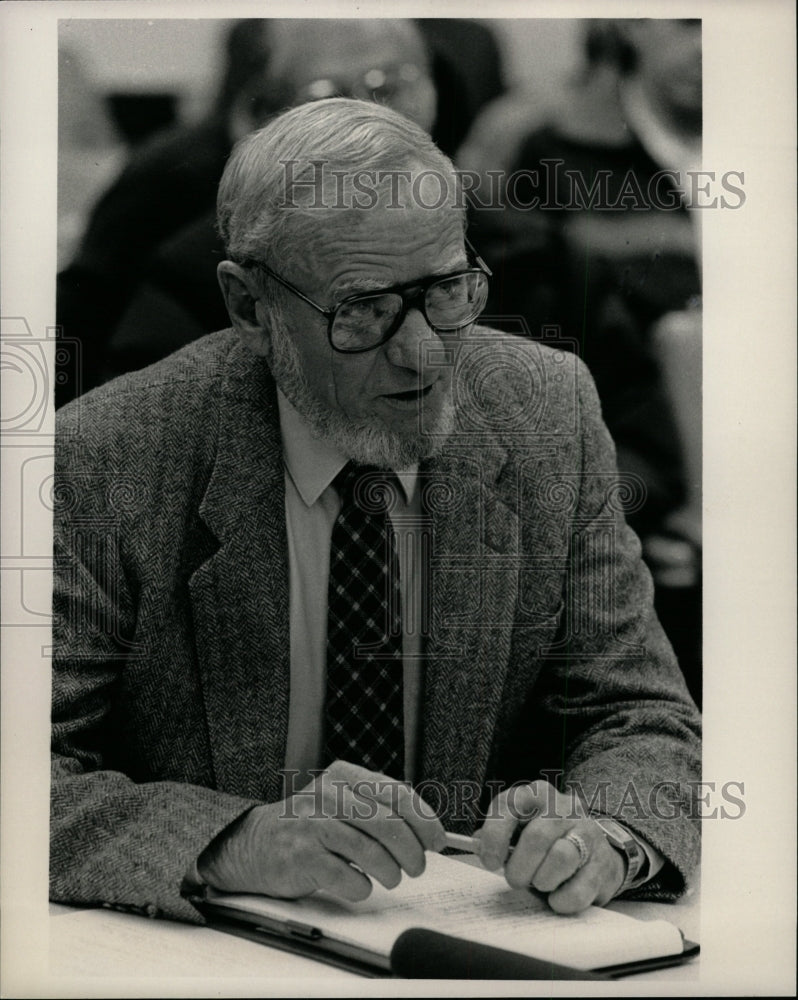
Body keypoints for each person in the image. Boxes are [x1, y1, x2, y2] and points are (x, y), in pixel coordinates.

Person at [51, 99, 701, 927]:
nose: (424, 350)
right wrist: (231, 840)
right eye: (363, 311)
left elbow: (638, 711)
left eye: (447, 291)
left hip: (479, 939)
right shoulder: (106, 460)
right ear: (250, 307)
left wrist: (608, 837)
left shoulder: (547, 413)